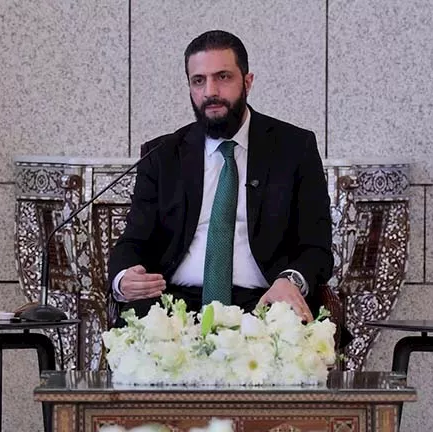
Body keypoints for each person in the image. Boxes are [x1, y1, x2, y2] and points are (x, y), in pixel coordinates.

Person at [107, 30, 333, 323]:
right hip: (175, 305)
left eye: (223, 77)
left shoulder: (294, 148)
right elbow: (133, 241)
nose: (210, 91)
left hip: (264, 302)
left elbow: (316, 247)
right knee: (136, 325)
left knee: (293, 325)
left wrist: (290, 280)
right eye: (198, 80)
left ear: (247, 82)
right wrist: (124, 279)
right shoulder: (162, 154)